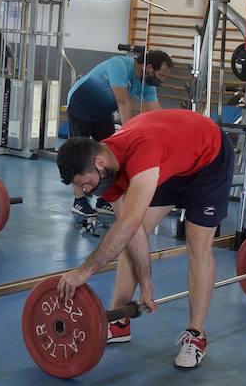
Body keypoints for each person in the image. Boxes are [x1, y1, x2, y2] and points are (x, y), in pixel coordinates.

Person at [54, 109, 235, 369]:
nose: (86, 191)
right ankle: (118, 321)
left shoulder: (142, 153)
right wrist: (146, 282)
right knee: (127, 236)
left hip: (209, 158)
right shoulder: (108, 174)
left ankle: (196, 335)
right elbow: (132, 231)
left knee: (197, 245)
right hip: (174, 160)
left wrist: (84, 271)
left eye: (86, 184)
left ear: (99, 164)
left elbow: (127, 225)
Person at [65, 49, 174, 219]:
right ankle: (79, 201)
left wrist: (166, 138)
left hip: (102, 114)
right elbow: (123, 101)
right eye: (161, 75)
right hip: (80, 107)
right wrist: (130, 135)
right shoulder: (120, 65)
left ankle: (104, 200)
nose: (162, 80)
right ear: (150, 68)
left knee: (112, 156)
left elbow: (155, 113)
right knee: (79, 156)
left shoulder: (147, 84)